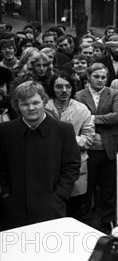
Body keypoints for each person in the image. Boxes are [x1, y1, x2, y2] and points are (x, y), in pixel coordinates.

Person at [0, 81, 80, 230]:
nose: (31, 108)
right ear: (17, 105)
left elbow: (72, 167)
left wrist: (59, 196)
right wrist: (6, 194)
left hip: (52, 208)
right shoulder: (5, 131)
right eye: (24, 104)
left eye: (35, 102)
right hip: (14, 210)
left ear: (44, 101)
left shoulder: (63, 130)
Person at [75, 63, 118, 231]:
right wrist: (100, 119)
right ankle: (85, 223)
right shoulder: (79, 95)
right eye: (96, 76)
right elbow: (77, 118)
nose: (100, 80)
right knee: (86, 188)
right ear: (88, 77)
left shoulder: (114, 94)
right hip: (87, 149)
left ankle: (108, 223)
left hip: (108, 148)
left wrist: (92, 119)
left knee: (108, 189)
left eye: (104, 77)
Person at [45, 72, 95, 220]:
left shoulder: (82, 109)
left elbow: (89, 139)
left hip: (76, 165)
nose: (64, 90)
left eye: (68, 86)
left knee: (76, 211)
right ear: (52, 88)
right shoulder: (43, 108)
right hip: (48, 166)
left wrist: (68, 139)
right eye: (59, 86)